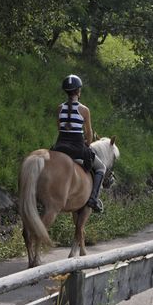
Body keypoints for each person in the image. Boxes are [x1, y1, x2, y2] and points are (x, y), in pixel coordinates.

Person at [52, 74, 107, 213]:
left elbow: (60, 128)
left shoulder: (59, 109)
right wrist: (88, 143)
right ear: (78, 91)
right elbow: (89, 133)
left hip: (59, 147)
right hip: (77, 148)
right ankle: (93, 199)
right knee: (101, 168)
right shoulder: (84, 110)